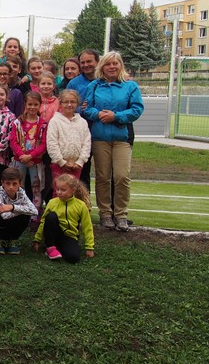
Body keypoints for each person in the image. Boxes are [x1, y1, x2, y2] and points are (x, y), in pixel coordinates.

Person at [84, 51, 144, 232]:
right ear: (102, 67)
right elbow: (87, 108)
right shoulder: (95, 85)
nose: (112, 67)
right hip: (100, 138)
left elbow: (136, 109)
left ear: (120, 66)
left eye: (115, 63)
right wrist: (98, 115)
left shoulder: (130, 86)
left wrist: (116, 116)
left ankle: (121, 214)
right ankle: (105, 214)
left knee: (121, 176)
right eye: (108, 64)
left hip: (121, 138)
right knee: (103, 177)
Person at [34, 174, 94, 263]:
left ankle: (60, 248)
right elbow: (43, 222)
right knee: (51, 216)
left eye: (63, 190)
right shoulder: (52, 203)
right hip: (54, 235)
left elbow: (87, 226)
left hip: (70, 236)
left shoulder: (81, 205)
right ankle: (50, 246)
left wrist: (89, 247)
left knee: (73, 258)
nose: (59, 192)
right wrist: (37, 239)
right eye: (57, 189)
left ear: (73, 190)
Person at [10, 91, 48, 225]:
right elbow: (13, 141)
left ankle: (34, 216)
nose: (32, 107)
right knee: (19, 187)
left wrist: (30, 156)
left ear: (39, 105)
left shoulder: (43, 124)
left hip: (35, 161)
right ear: (25, 105)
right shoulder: (17, 122)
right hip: (19, 160)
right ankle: (20, 214)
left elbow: (44, 144)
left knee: (36, 188)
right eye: (30, 104)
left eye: (35, 104)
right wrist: (22, 156)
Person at [67, 49, 100, 191]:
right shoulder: (74, 84)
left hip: (101, 130)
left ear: (97, 62)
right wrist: (81, 109)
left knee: (104, 173)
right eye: (83, 62)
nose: (86, 65)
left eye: (89, 61)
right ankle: (82, 201)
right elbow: (66, 107)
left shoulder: (105, 80)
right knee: (82, 170)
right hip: (80, 133)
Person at [47, 90, 91, 194]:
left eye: (73, 102)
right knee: (59, 193)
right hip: (59, 165)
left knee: (73, 193)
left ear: (77, 103)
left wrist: (80, 162)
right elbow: (52, 143)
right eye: (66, 102)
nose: (69, 105)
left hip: (76, 166)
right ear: (60, 103)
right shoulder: (55, 121)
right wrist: (61, 162)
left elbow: (87, 143)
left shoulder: (82, 122)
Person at [0, 167, 38, 255]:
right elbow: (5, 216)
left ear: (20, 184)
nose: (11, 187)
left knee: (25, 216)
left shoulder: (21, 192)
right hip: (0, 225)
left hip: (13, 223)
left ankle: (13, 240)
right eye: (8, 183)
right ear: (2, 183)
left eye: (14, 184)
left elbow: (35, 211)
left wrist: (12, 207)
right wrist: (23, 209)